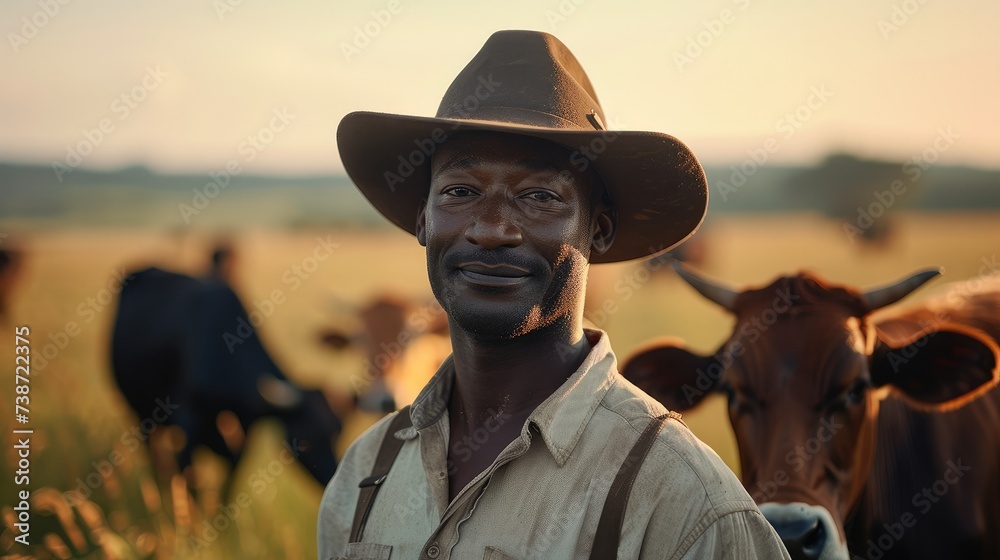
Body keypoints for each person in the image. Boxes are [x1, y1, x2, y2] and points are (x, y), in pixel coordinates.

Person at [319, 30, 790, 559]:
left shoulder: (683, 502)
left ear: (600, 230)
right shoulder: (365, 474)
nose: (492, 228)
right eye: (460, 191)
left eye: (540, 196)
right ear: (423, 219)